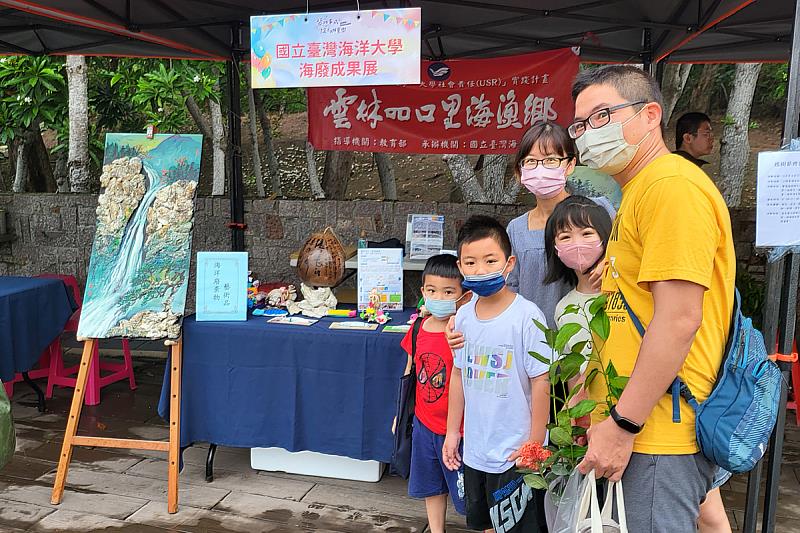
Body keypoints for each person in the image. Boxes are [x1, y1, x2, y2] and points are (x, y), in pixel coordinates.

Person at [569, 65, 736, 533]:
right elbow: (632, 311)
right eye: (580, 125)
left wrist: (623, 425)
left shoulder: (670, 187)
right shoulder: (638, 191)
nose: (588, 134)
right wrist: (593, 383)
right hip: (640, 425)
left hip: (655, 432)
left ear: (650, 116)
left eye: (602, 115)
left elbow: (679, 319)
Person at [442, 215, 552, 533]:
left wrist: (535, 442)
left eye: (490, 260)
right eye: (471, 262)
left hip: (516, 453)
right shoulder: (462, 317)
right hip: (477, 451)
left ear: (509, 263)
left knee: (519, 527)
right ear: (460, 267)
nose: (480, 269)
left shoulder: (527, 316)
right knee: (486, 525)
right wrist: (453, 432)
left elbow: (541, 380)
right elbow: (459, 375)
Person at [506, 121, 615, 329]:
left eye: (551, 160)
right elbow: (511, 289)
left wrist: (610, 261)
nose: (540, 169)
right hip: (537, 343)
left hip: (593, 339)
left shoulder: (599, 210)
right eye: (531, 161)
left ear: (570, 165)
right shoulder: (516, 229)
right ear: (520, 170)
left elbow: (629, 256)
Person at [399, 254, 470, 533]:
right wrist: (402, 415)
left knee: (468, 493)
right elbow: (409, 373)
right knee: (431, 485)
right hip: (424, 425)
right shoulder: (418, 328)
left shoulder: (464, 331)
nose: (438, 296)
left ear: (463, 295)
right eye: (432, 290)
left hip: (460, 429)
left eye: (448, 291)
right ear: (423, 292)